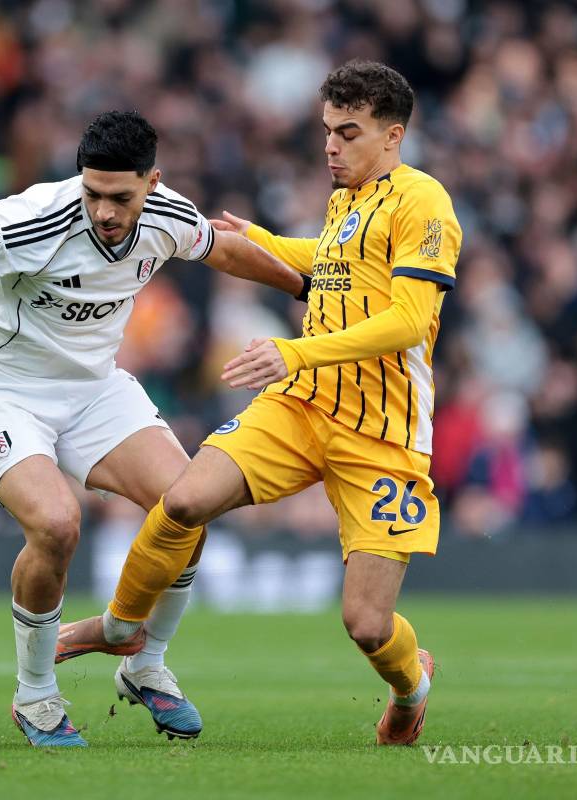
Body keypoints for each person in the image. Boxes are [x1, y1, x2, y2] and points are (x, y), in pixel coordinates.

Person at [58, 62, 462, 746]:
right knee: (185, 499)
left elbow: (407, 320)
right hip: (302, 407)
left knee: (367, 625)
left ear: (393, 136)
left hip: (382, 433)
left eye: (348, 133)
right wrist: (265, 241)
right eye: (327, 130)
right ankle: (123, 629)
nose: (330, 146)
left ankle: (410, 685)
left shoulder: (425, 203)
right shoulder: (348, 198)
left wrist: (295, 351)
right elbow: (334, 260)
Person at [0, 111, 307, 747]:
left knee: (189, 503)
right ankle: (35, 695)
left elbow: (224, 249)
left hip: (91, 386)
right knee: (57, 524)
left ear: (152, 183)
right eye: (93, 193)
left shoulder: (167, 215)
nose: (105, 211)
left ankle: (145, 664)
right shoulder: (31, 220)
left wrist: (303, 286)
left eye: (121, 197)